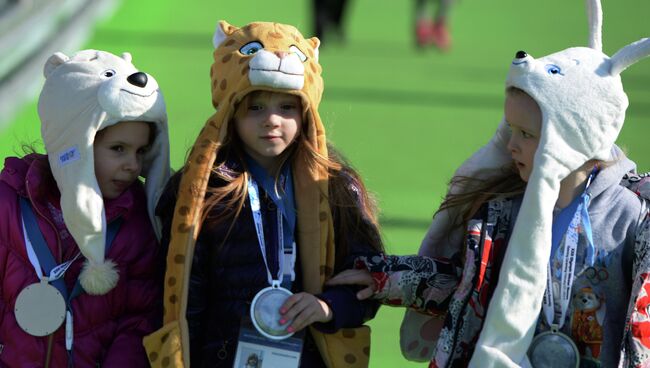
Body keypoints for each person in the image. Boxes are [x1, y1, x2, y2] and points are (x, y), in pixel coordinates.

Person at [329, 1, 650, 366]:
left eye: (528, 134)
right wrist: (387, 277)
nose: (512, 145)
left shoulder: (633, 218)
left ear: (575, 137)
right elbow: (465, 286)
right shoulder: (503, 209)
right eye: (510, 130)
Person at [143, 21, 383, 368]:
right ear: (231, 111)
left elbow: (368, 279)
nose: (271, 120)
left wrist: (329, 306)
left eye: (286, 108)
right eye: (255, 107)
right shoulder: (201, 190)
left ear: (306, 113)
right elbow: (183, 296)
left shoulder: (336, 188)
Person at [0, 49, 169, 367]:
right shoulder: (7, 204)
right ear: (74, 143)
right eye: (118, 149)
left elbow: (137, 322)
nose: (133, 165)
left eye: (141, 151)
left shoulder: (135, 224)